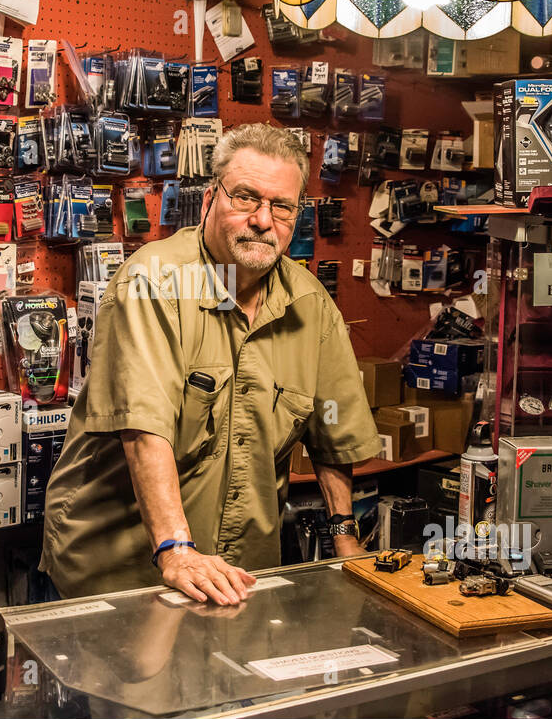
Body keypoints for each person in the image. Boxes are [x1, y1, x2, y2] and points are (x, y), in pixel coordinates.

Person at [39, 123, 381, 603]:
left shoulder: (312, 306)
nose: (263, 220)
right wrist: (176, 549)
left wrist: (344, 535)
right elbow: (144, 430)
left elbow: (332, 435)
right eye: (245, 198)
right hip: (120, 573)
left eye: (281, 206)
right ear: (207, 201)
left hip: (240, 575)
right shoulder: (152, 283)